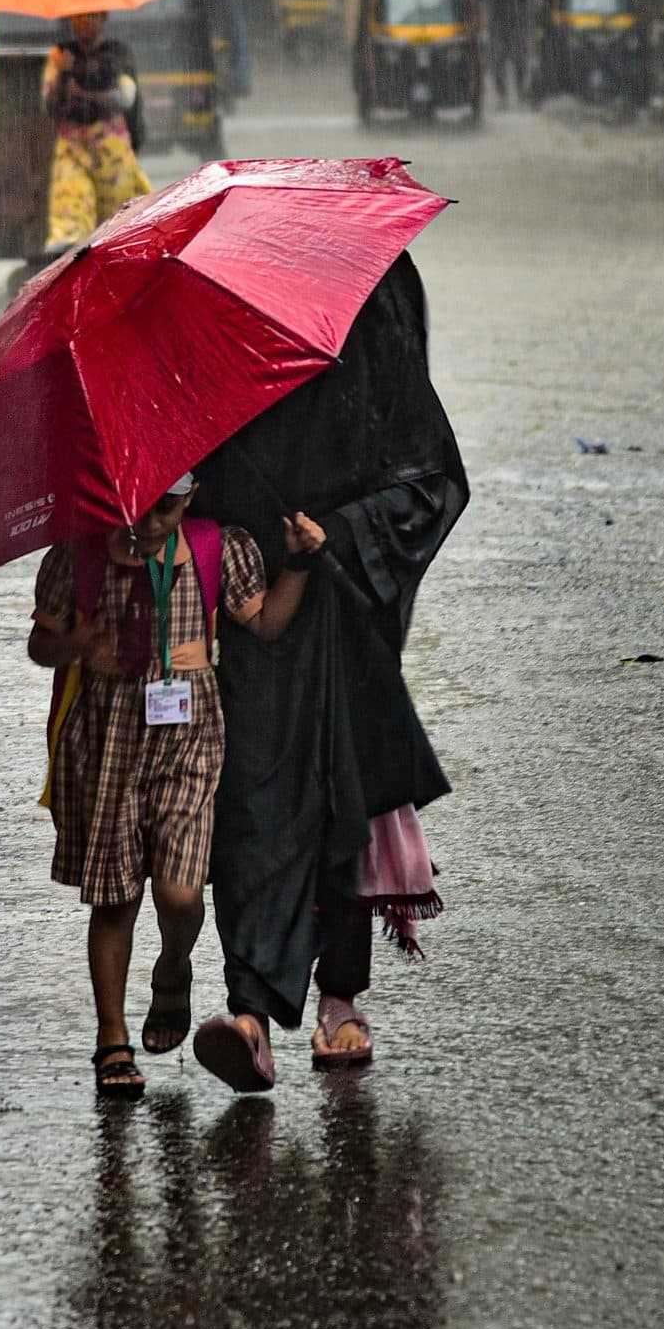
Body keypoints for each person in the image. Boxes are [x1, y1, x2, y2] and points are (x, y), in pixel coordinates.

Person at [187, 255, 469, 1093]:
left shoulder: (372, 308)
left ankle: (338, 995)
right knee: (255, 800)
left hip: (346, 615)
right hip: (256, 614)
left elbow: (431, 479)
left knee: (345, 793)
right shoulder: (218, 333)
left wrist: (339, 533)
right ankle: (248, 1008)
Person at [28, 474, 327, 1098]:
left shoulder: (220, 548)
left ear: (191, 496)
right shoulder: (76, 558)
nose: (152, 520)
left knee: (181, 890)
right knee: (113, 901)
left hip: (189, 737)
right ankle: (112, 1038)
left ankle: (173, 966)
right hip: (104, 742)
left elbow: (266, 620)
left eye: (167, 505)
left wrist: (299, 562)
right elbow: (41, 643)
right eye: (137, 506)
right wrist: (76, 644)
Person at [44, 11, 150, 255]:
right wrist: (62, 72)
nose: (85, 22)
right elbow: (50, 104)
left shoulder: (118, 54)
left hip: (110, 150)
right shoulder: (60, 55)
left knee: (118, 219)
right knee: (71, 202)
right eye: (80, 17)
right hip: (73, 146)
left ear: (103, 20)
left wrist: (82, 94)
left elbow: (123, 99)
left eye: (93, 17)